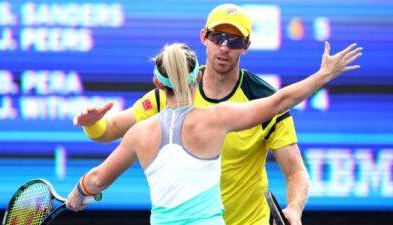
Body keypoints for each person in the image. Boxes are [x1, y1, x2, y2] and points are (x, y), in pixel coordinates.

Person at [73, 4, 361, 225]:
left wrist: (294, 209)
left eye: (235, 41)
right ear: (204, 38)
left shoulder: (172, 98)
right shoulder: (215, 115)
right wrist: (93, 124)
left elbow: (296, 170)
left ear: (246, 46)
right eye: (218, 37)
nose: (225, 46)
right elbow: (108, 130)